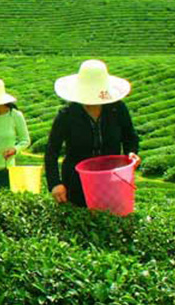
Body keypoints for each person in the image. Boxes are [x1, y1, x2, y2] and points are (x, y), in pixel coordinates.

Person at [44, 59, 140, 207]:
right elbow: (51, 151)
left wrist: (131, 152)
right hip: (76, 182)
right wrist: (55, 183)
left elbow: (130, 136)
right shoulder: (68, 114)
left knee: (111, 218)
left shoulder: (117, 109)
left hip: (112, 177)